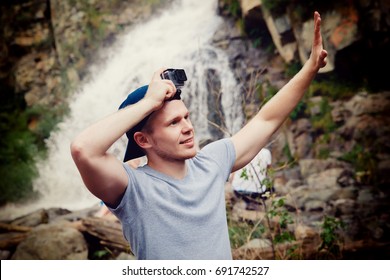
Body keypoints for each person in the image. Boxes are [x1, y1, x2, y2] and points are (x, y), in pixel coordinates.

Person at [70, 11, 327, 260]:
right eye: (173, 123)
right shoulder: (132, 189)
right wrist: (149, 102)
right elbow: (83, 149)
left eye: (186, 117)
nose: (187, 127)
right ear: (143, 140)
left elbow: (266, 119)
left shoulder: (211, 163)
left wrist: (310, 68)